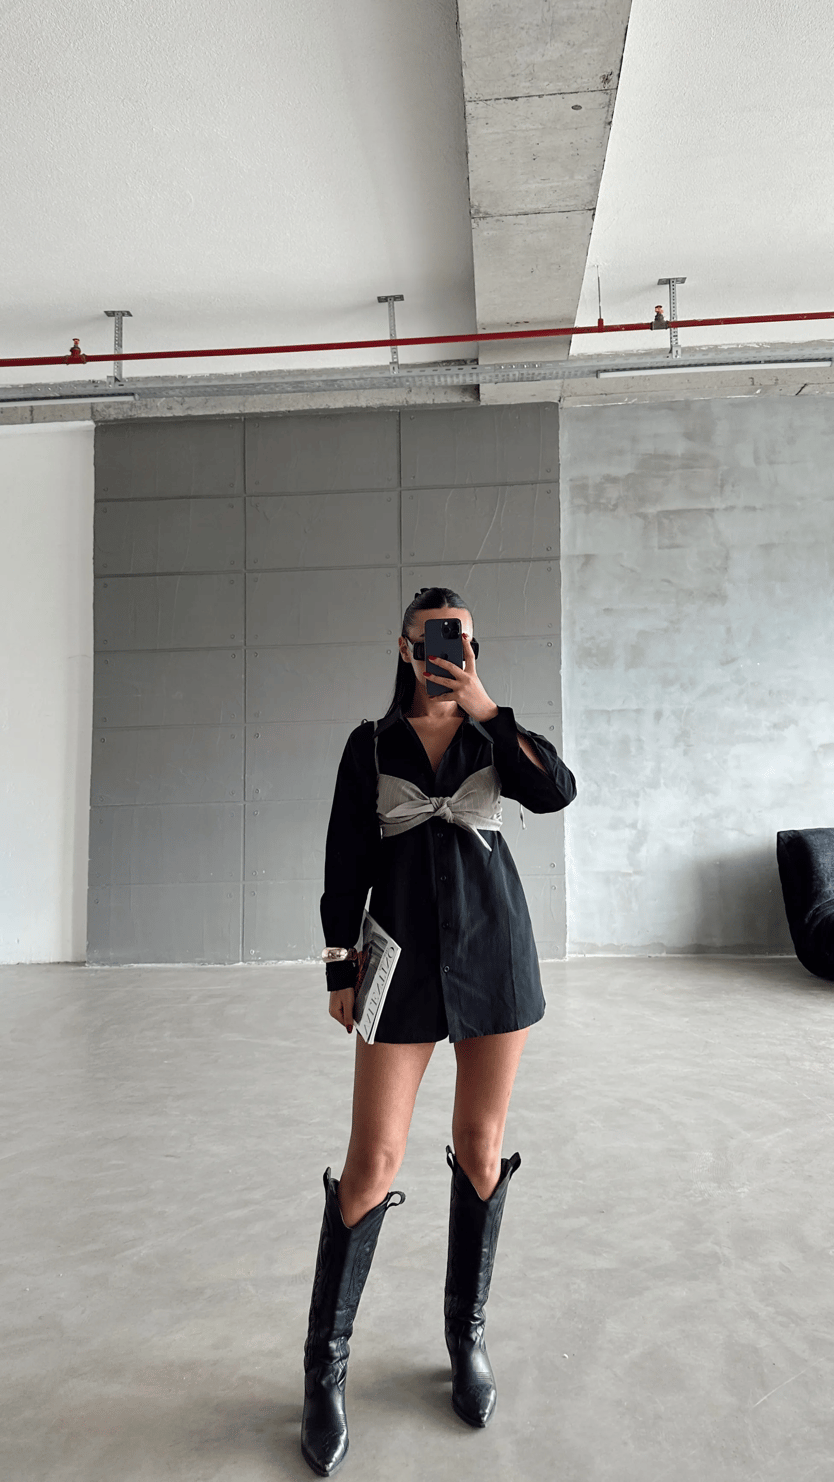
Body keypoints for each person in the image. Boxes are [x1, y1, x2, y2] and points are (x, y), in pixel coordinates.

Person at [301, 586, 577, 1477]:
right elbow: (345, 859)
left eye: (461, 636)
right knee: (372, 1160)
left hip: (495, 956)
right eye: (434, 636)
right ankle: (323, 1369)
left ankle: (466, 1338)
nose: (449, 648)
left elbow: (557, 791)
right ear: (405, 646)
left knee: (481, 1145)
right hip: (401, 960)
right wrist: (339, 966)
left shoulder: (496, 738)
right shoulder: (371, 745)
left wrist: (488, 708)